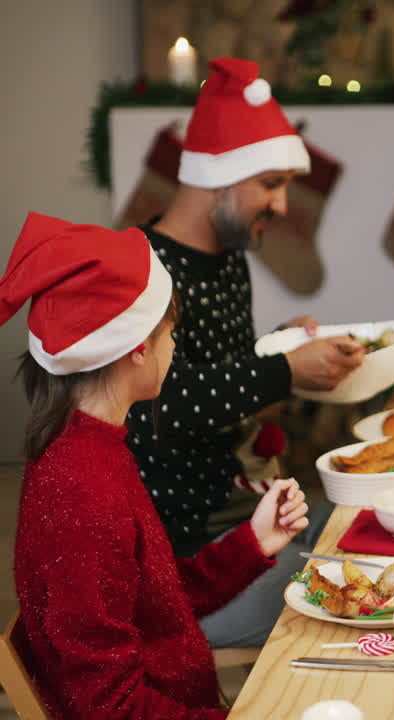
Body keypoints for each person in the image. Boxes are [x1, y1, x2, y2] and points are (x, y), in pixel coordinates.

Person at [4, 213, 310, 719]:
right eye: (172, 334)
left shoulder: (94, 447)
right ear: (138, 349)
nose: (175, 348)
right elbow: (111, 708)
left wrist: (252, 543)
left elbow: (159, 604)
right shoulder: (82, 493)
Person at [124, 57, 363, 647]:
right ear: (219, 177)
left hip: (257, 514)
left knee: (375, 528)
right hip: (194, 564)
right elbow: (157, 409)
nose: (282, 205)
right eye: (271, 184)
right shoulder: (147, 273)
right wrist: (281, 369)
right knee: (364, 596)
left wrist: (284, 345)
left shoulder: (228, 256)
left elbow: (218, 368)